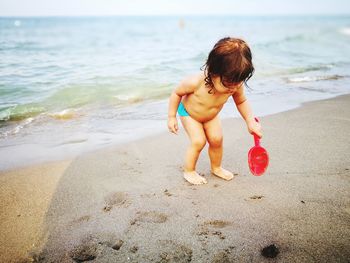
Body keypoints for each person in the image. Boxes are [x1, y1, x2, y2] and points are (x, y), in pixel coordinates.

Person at [167, 37, 262, 185]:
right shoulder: (195, 82)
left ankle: (216, 167)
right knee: (199, 141)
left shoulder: (235, 84)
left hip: (211, 116)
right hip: (189, 114)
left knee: (217, 140)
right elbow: (176, 93)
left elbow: (241, 101)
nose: (233, 88)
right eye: (229, 84)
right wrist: (171, 116)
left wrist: (250, 121)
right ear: (213, 72)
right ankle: (189, 171)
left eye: (238, 82)